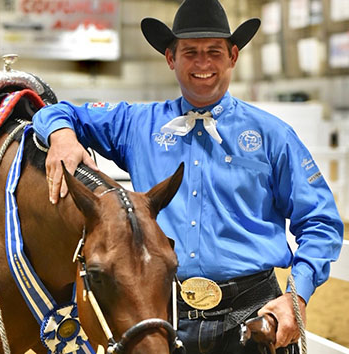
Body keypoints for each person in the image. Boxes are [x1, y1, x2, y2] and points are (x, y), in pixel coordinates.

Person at [32, 0, 344, 353]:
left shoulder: (273, 136)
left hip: (254, 316)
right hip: (163, 317)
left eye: (214, 51)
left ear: (233, 56)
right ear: (171, 59)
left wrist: (296, 296)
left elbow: (320, 222)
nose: (203, 64)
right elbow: (57, 111)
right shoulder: (137, 125)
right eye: (190, 52)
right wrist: (61, 135)